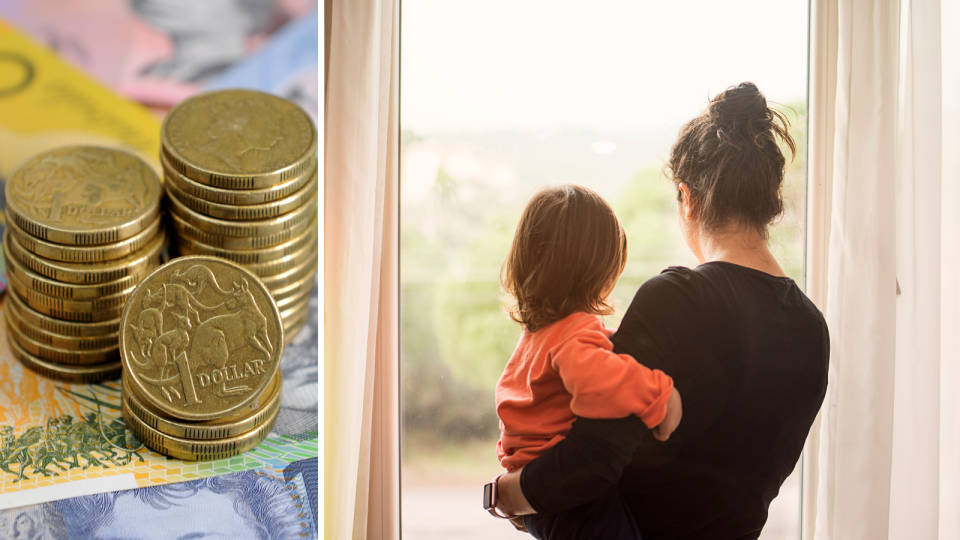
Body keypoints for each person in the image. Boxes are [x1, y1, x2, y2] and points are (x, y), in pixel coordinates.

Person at [494, 82, 830, 540]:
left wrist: (505, 494)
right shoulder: (812, 328)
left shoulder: (679, 298)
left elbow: (592, 458)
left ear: (687, 198)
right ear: (766, 201)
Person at [493, 184, 682, 539]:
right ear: (599, 274)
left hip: (539, 498)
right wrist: (660, 395)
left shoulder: (537, 337)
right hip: (576, 503)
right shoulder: (574, 334)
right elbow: (604, 382)